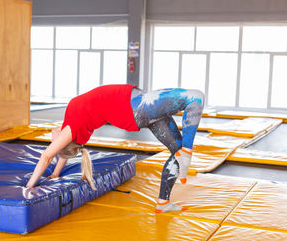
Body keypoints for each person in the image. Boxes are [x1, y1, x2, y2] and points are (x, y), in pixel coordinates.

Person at [26, 84, 204, 213]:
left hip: (134, 111)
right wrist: (29, 186)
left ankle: (163, 202)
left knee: (176, 151)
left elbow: (62, 154)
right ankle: (187, 152)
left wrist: (56, 173)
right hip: (133, 107)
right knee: (195, 97)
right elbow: (46, 157)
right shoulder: (72, 130)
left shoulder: (71, 130)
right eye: (54, 144)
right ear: (62, 143)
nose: (51, 141)